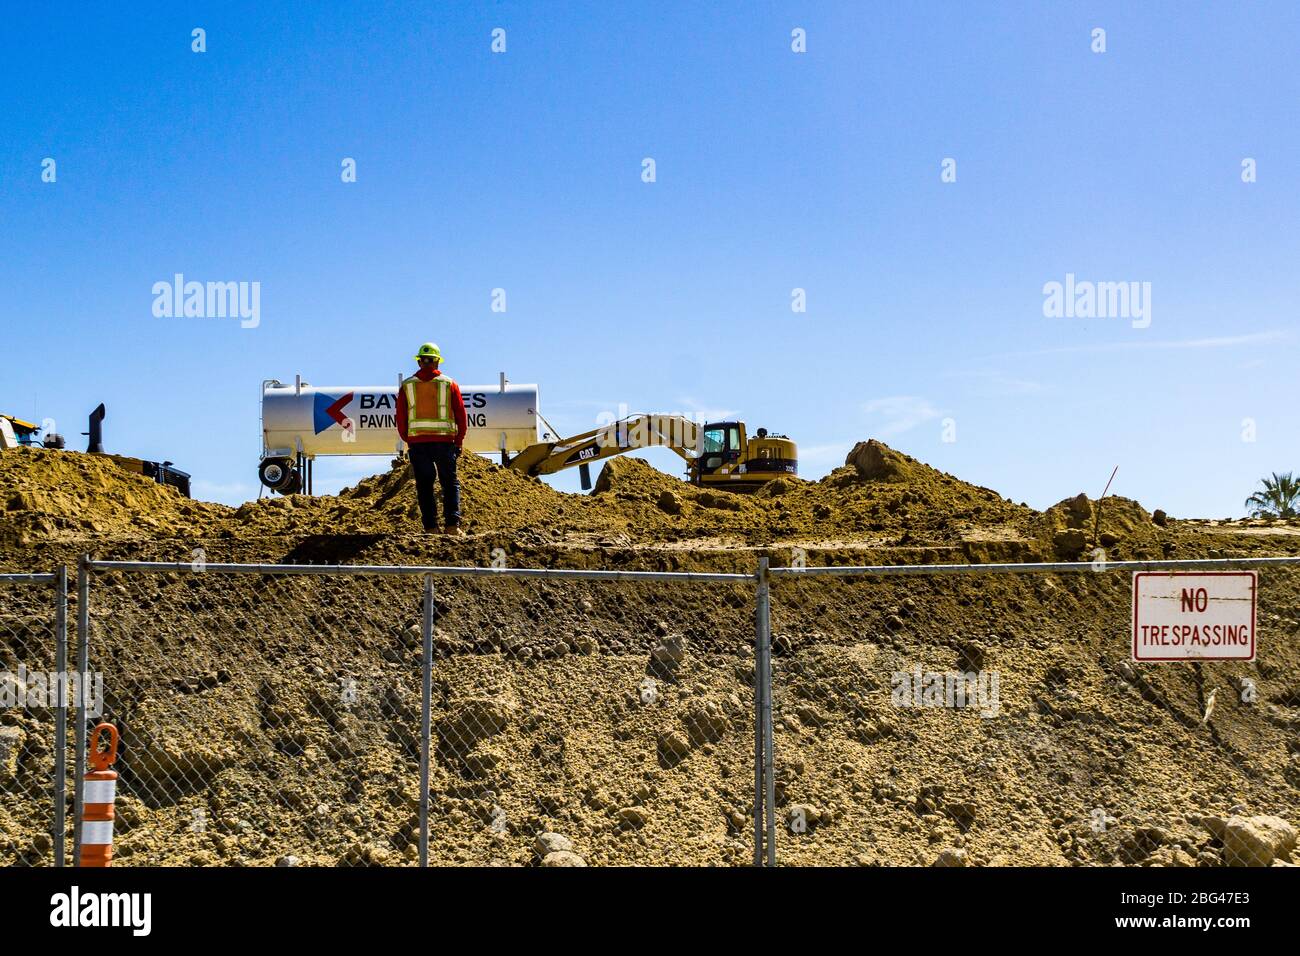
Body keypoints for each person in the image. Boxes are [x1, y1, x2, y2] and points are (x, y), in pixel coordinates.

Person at [395, 342, 468, 534]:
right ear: (437, 362)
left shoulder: (407, 386)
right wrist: (458, 440)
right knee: (449, 483)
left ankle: (431, 528)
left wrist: (409, 439)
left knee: (425, 486)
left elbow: (400, 418)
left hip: (418, 444)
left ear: (419, 362)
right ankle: (452, 526)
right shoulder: (449, 384)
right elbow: (461, 415)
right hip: (445, 443)